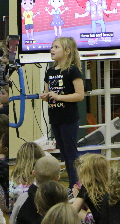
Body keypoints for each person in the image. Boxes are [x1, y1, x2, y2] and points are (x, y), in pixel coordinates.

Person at [38, 36, 86, 186]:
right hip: (55, 117)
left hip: (69, 118)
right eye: (52, 47)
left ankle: (75, 186)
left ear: (67, 51)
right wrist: (45, 96)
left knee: (71, 153)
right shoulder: (50, 70)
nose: (52, 49)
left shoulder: (72, 70)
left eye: (56, 47)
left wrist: (59, 97)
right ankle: (72, 184)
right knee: (64, 153)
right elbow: (48, 93)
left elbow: (80, 95)